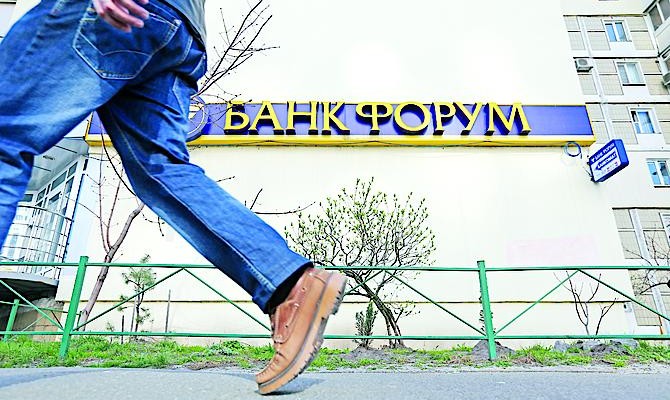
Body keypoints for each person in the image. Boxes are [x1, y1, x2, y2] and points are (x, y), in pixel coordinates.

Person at [0, 0, 347, 394]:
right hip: (178, 28)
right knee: (160, 170)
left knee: (4, 139)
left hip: (108, 15)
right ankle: (289, 284)